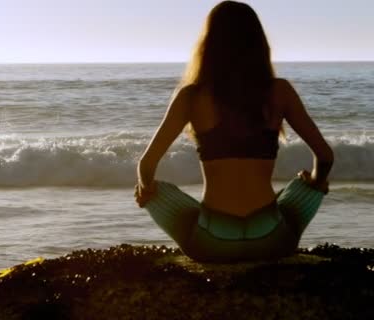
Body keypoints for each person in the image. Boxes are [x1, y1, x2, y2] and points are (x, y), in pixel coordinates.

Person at [135, 1, 334, 262]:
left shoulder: (191, 97)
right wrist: (316, 182)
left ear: (208, 45)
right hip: (272, 240)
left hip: (211, 243)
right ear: (258, 43)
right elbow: (325, 157)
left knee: (158, 190)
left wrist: (146, 189)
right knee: (305, 185)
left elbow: (146, 166)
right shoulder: (280, 91)